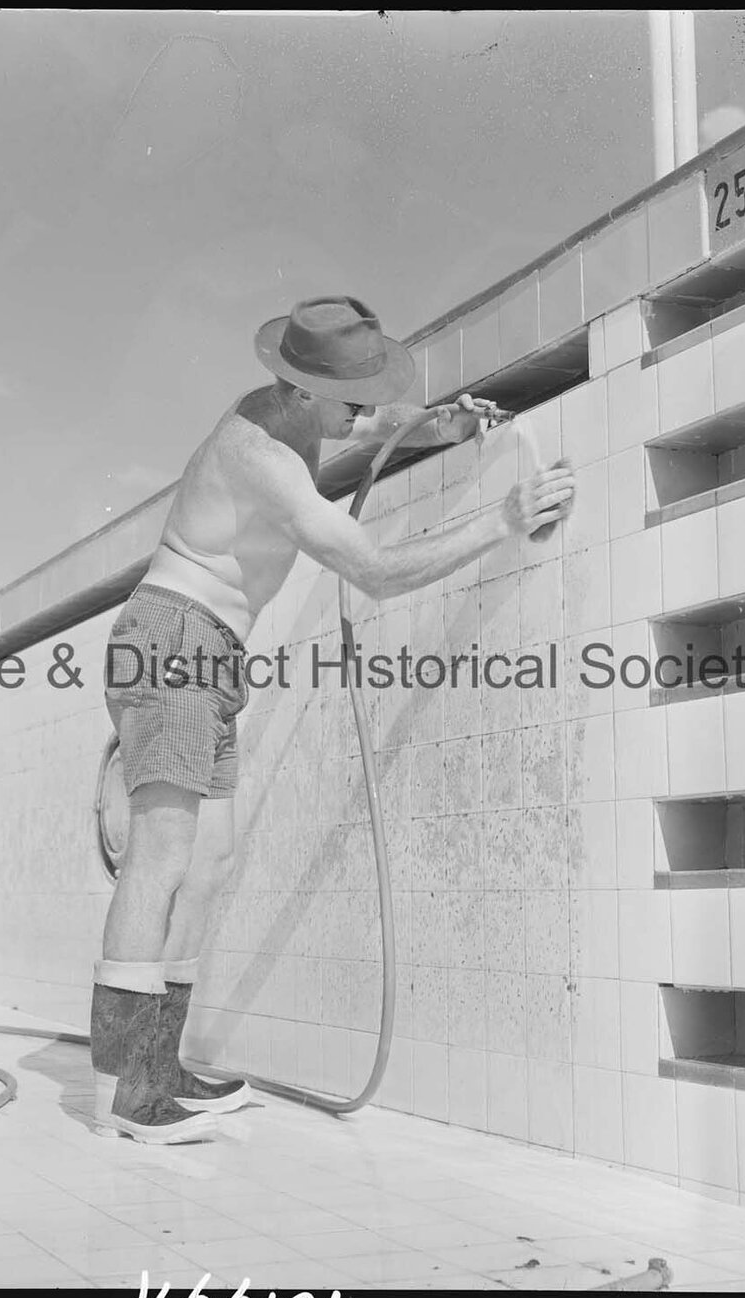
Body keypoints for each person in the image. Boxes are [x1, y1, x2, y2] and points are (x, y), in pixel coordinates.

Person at [92, 295, 575, 1143]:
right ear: (300, 385)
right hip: (171, 637)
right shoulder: (260, 455)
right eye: (349, 397)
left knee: (210, 860)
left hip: (209, 652)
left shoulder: (294, 417)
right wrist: (501, 519)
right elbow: (377, 573)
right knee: (163, 856)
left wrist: (447, 430)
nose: (363, 411)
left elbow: (367, 430)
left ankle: (160, 1068)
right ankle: (131, 1091)